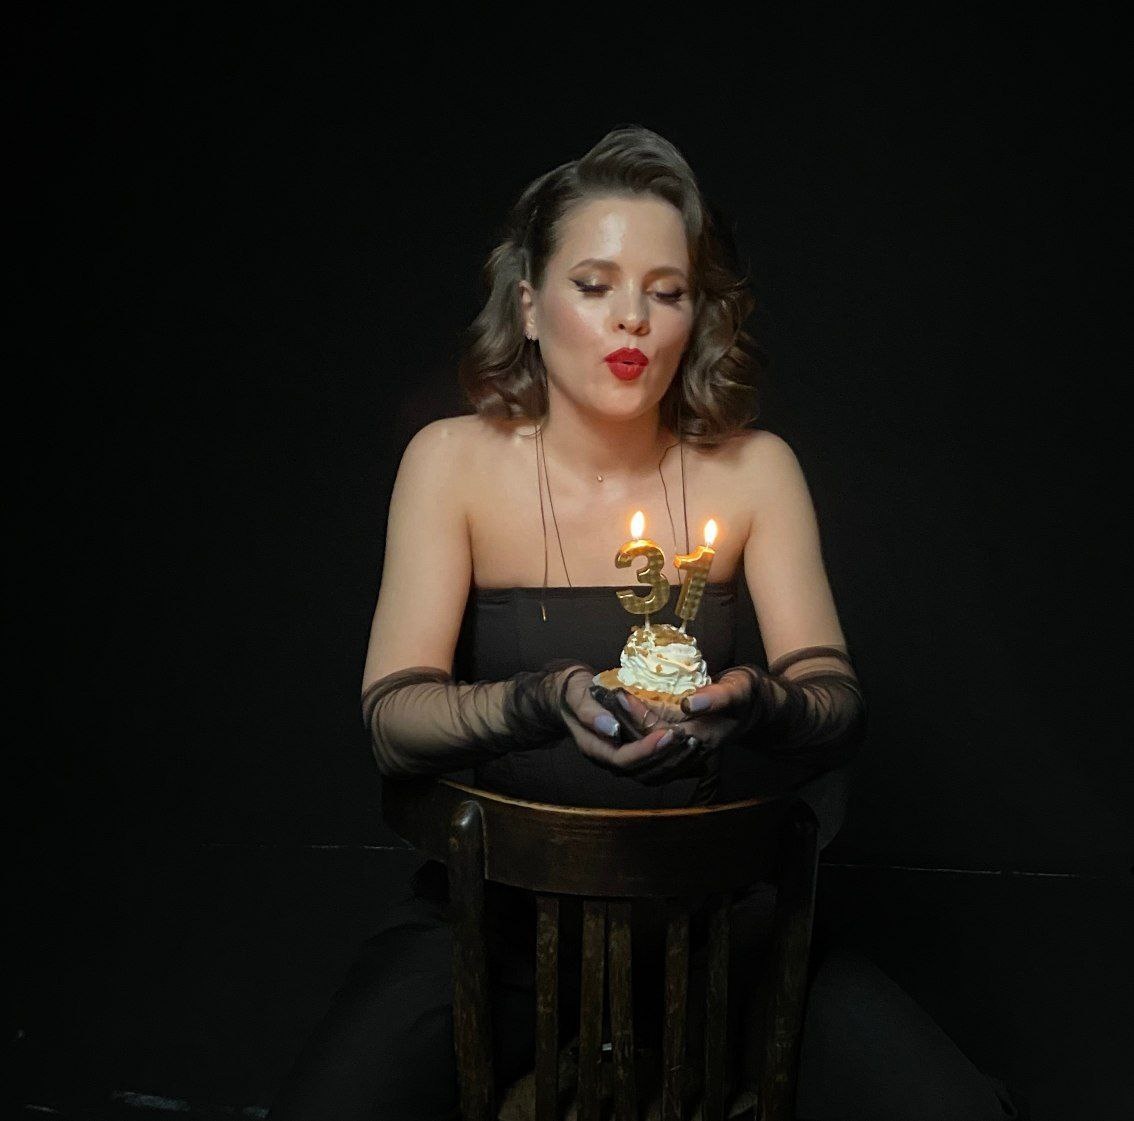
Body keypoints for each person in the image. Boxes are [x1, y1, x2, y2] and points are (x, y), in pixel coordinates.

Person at [267, 127, 1022, 1120]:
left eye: (667, 292)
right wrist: (546, 699)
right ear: (528, 306)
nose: (633, 317)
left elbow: (837, 703)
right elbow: (393, 719)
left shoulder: (754, 470)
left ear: (695, 316)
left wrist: (756, 703)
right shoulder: (451, 463)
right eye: (595, 284)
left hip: (718, 930)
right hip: (494, 930)